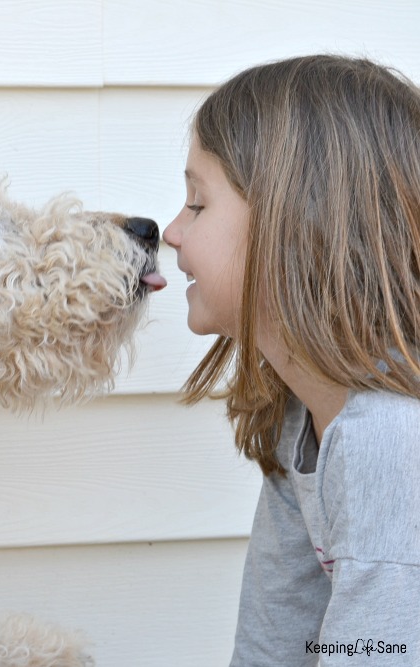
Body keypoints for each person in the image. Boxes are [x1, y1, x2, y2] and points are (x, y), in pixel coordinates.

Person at [162, 55, 420, 665]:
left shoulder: (390, 440)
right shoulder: (300, 418)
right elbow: (278, 638)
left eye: (197, 204)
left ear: (294, 224)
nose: (173, 230)